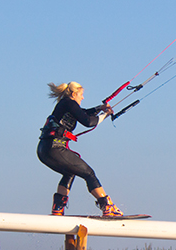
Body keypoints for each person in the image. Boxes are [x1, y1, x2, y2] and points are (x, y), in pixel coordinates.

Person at [37, 82, 123, 217]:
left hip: (44, 150)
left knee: (69, 173)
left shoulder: (65, 104)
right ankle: (107, 207)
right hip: (56, 148)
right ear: (73, 94)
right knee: (89, 173)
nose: (82, 98)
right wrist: (105, 115)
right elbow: (88, 122)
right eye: (81, 95)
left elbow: (82, 113)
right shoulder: (69, 103)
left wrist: (99, 108)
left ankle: (58, 208)